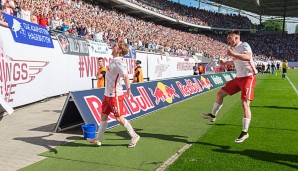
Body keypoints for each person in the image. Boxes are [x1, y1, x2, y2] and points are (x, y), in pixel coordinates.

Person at [201, 30, 257, 143]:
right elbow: (236, 61)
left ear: (236, 38)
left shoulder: (244, 45)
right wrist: (226, 62)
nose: (227, 40)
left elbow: (247, 57)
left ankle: (245, 132)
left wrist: (232, 55)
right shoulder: (234, 49)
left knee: (245, 103)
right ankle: (213, 115)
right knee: (220, 94)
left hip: (248, 77)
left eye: (229, 38)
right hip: (238, 78)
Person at [88, 39, 140, 148]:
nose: (113, 46)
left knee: (119, 118)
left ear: (119, 50)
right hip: (107, 95)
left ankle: (134, 136)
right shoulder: (113, 60)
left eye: (115, 45)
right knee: (103, 116)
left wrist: (129, 89)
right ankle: (98, 140)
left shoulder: (119, 61)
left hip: (115, 95)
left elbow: (125, 75)